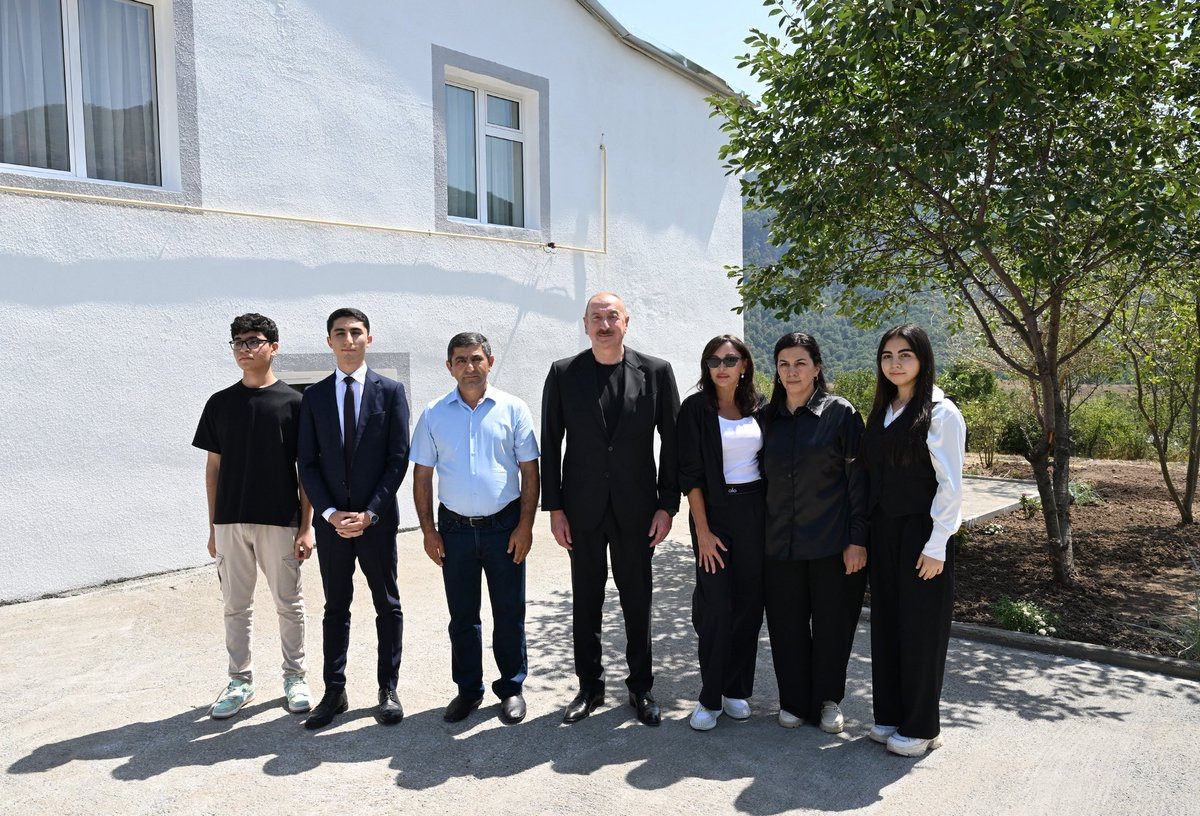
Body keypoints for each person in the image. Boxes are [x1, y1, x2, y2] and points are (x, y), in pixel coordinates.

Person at [541, 292, 680, 726]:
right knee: (586, 601)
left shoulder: (656, 372)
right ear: (585, 325)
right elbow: (551, 442)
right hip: (581, 509)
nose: (605, 324)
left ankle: (641, 688)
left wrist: (667, 506)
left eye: (612, 316)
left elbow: (673, 444)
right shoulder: (563, 373)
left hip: (638, 510)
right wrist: (555, 508)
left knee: (637, 602)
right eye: (597, 317)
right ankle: (589, 688)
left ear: (626, 322)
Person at [411, 332, 540, 725]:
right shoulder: (434, 413)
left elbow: (530, 471)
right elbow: (422, 476)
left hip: (505, 527)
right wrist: (428, 531)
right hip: (455, 530)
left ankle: (511, 688)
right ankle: (468, 690)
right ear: (449, 366)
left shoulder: (513, 409)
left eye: (477, 358)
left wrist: (525, 526)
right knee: (463, 616)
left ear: (490, 362)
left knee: (509, 612)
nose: (470, 367)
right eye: (461, 360)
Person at [193, 313, 314, 720]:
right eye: (238, 342)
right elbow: (213, 469)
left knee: (289, 604)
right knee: (235, 607)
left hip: (279, 520)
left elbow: (305, 471)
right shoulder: (219, 403)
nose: (245, 348)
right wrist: (213, 527)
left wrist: (306, 527)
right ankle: (239, 681)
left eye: (253, 341)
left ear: (273, 347)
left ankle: (295, 677)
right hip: (230, 522)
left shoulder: (295, 404)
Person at [297, 308, 411, 729]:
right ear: (329, 341)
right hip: (332, 526)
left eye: (356, 332)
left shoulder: (391, 391)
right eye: (340, 333)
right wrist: (329, 514)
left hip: (375, 522)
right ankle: (334, 691)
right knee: (335, 607)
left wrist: (371, 512)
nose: (349, 340)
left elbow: (398, 458)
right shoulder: (314, 396)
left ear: (369, 338)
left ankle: (388, 689)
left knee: (387, 605)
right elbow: (307, 463)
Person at [860, 324, 965, 757]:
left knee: (921, 631)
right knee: (887, 625)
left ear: (923, 359)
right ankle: (889, 715)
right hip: (884, 532)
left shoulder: (941, 413)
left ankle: (921, 727)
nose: (895, 363)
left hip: (923, 534)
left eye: (905, 354)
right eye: (887, 356)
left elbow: (951, 485)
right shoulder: (884, 409)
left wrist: (937, 544)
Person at [762, 332, 868, 734]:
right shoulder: (766, 417)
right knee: (786, 626)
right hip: (779, 544)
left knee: (831, 626)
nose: (791, 372)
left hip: (831, 543)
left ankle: (827, 700)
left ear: (817, 368)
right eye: (784, 364)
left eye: (800, 363)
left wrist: (857, 539)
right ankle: (793, 700)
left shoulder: (840, 413)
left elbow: (859, 481)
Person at [677, 334, 767, 731]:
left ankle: (735, 690)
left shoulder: (761, 406)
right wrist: (703, 531)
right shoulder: (695, 409)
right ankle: (709, 697)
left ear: (744, 364)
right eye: (713, 361)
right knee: (715, 608)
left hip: (755, 513)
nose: (722, 367)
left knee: (749, 605)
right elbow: (690, 474)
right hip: (712, 514)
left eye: (730, 360)